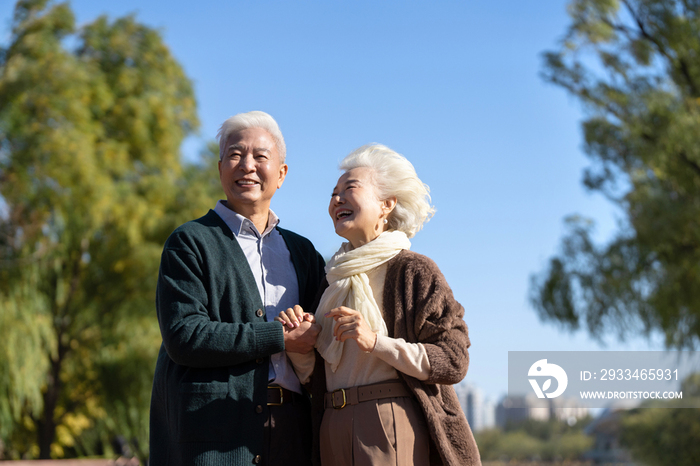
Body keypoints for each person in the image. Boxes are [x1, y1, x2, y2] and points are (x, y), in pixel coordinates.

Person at [278, 144, 481, 466]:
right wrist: (299, 346)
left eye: (350, 189)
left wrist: (375, 342)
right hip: (330, 421)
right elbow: (317, 376)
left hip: (388, 419)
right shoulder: (331, 277)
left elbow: (453, 360)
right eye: (333, 193)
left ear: (386, 205)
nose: (337, 199)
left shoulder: (414, 270)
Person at [149, 111, 325, 466]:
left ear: (281, 173)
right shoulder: (190, 242)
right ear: (219, 169)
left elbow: (323, 337)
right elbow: (185, 336)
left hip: (294, 430)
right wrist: (278, 336)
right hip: (213, 437)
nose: (247, 165)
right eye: (234, 154)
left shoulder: (303, 252)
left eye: (260, 156)